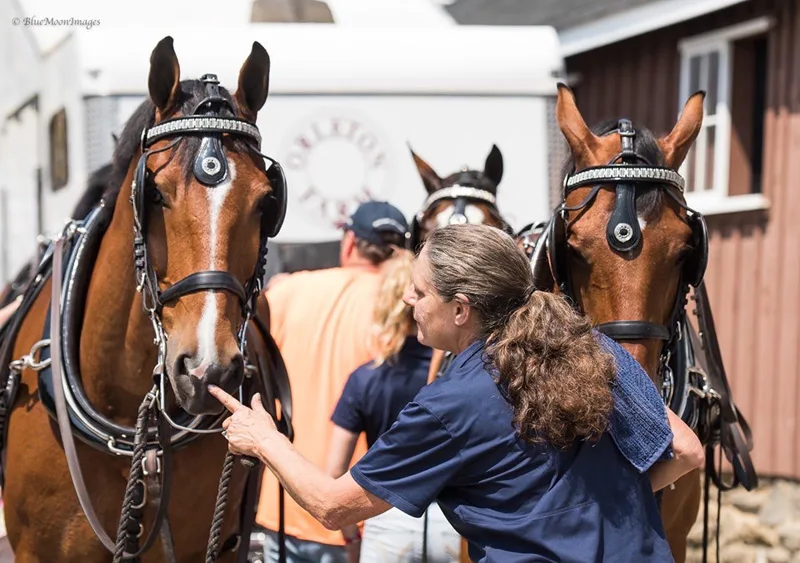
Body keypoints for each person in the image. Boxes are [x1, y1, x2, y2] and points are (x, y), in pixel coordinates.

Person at [211, 223, 705, 563]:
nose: (408, 299)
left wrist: (263, 438)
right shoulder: (594, 348)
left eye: (421, 292)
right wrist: (597, 505)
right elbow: (686, 451)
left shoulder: (450, 406)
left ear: (461, 309)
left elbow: (333, 506)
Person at [255, 201, 410, 563]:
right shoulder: (404, 309)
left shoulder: (285, 292)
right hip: (363, 519)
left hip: (285, 505)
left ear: (350, 242)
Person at [325, 250, 459, 563]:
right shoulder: (457, 375)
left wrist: (351, 538)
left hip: (387, 518)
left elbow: (334, 470)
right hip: (451, 520)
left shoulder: (364, 379)